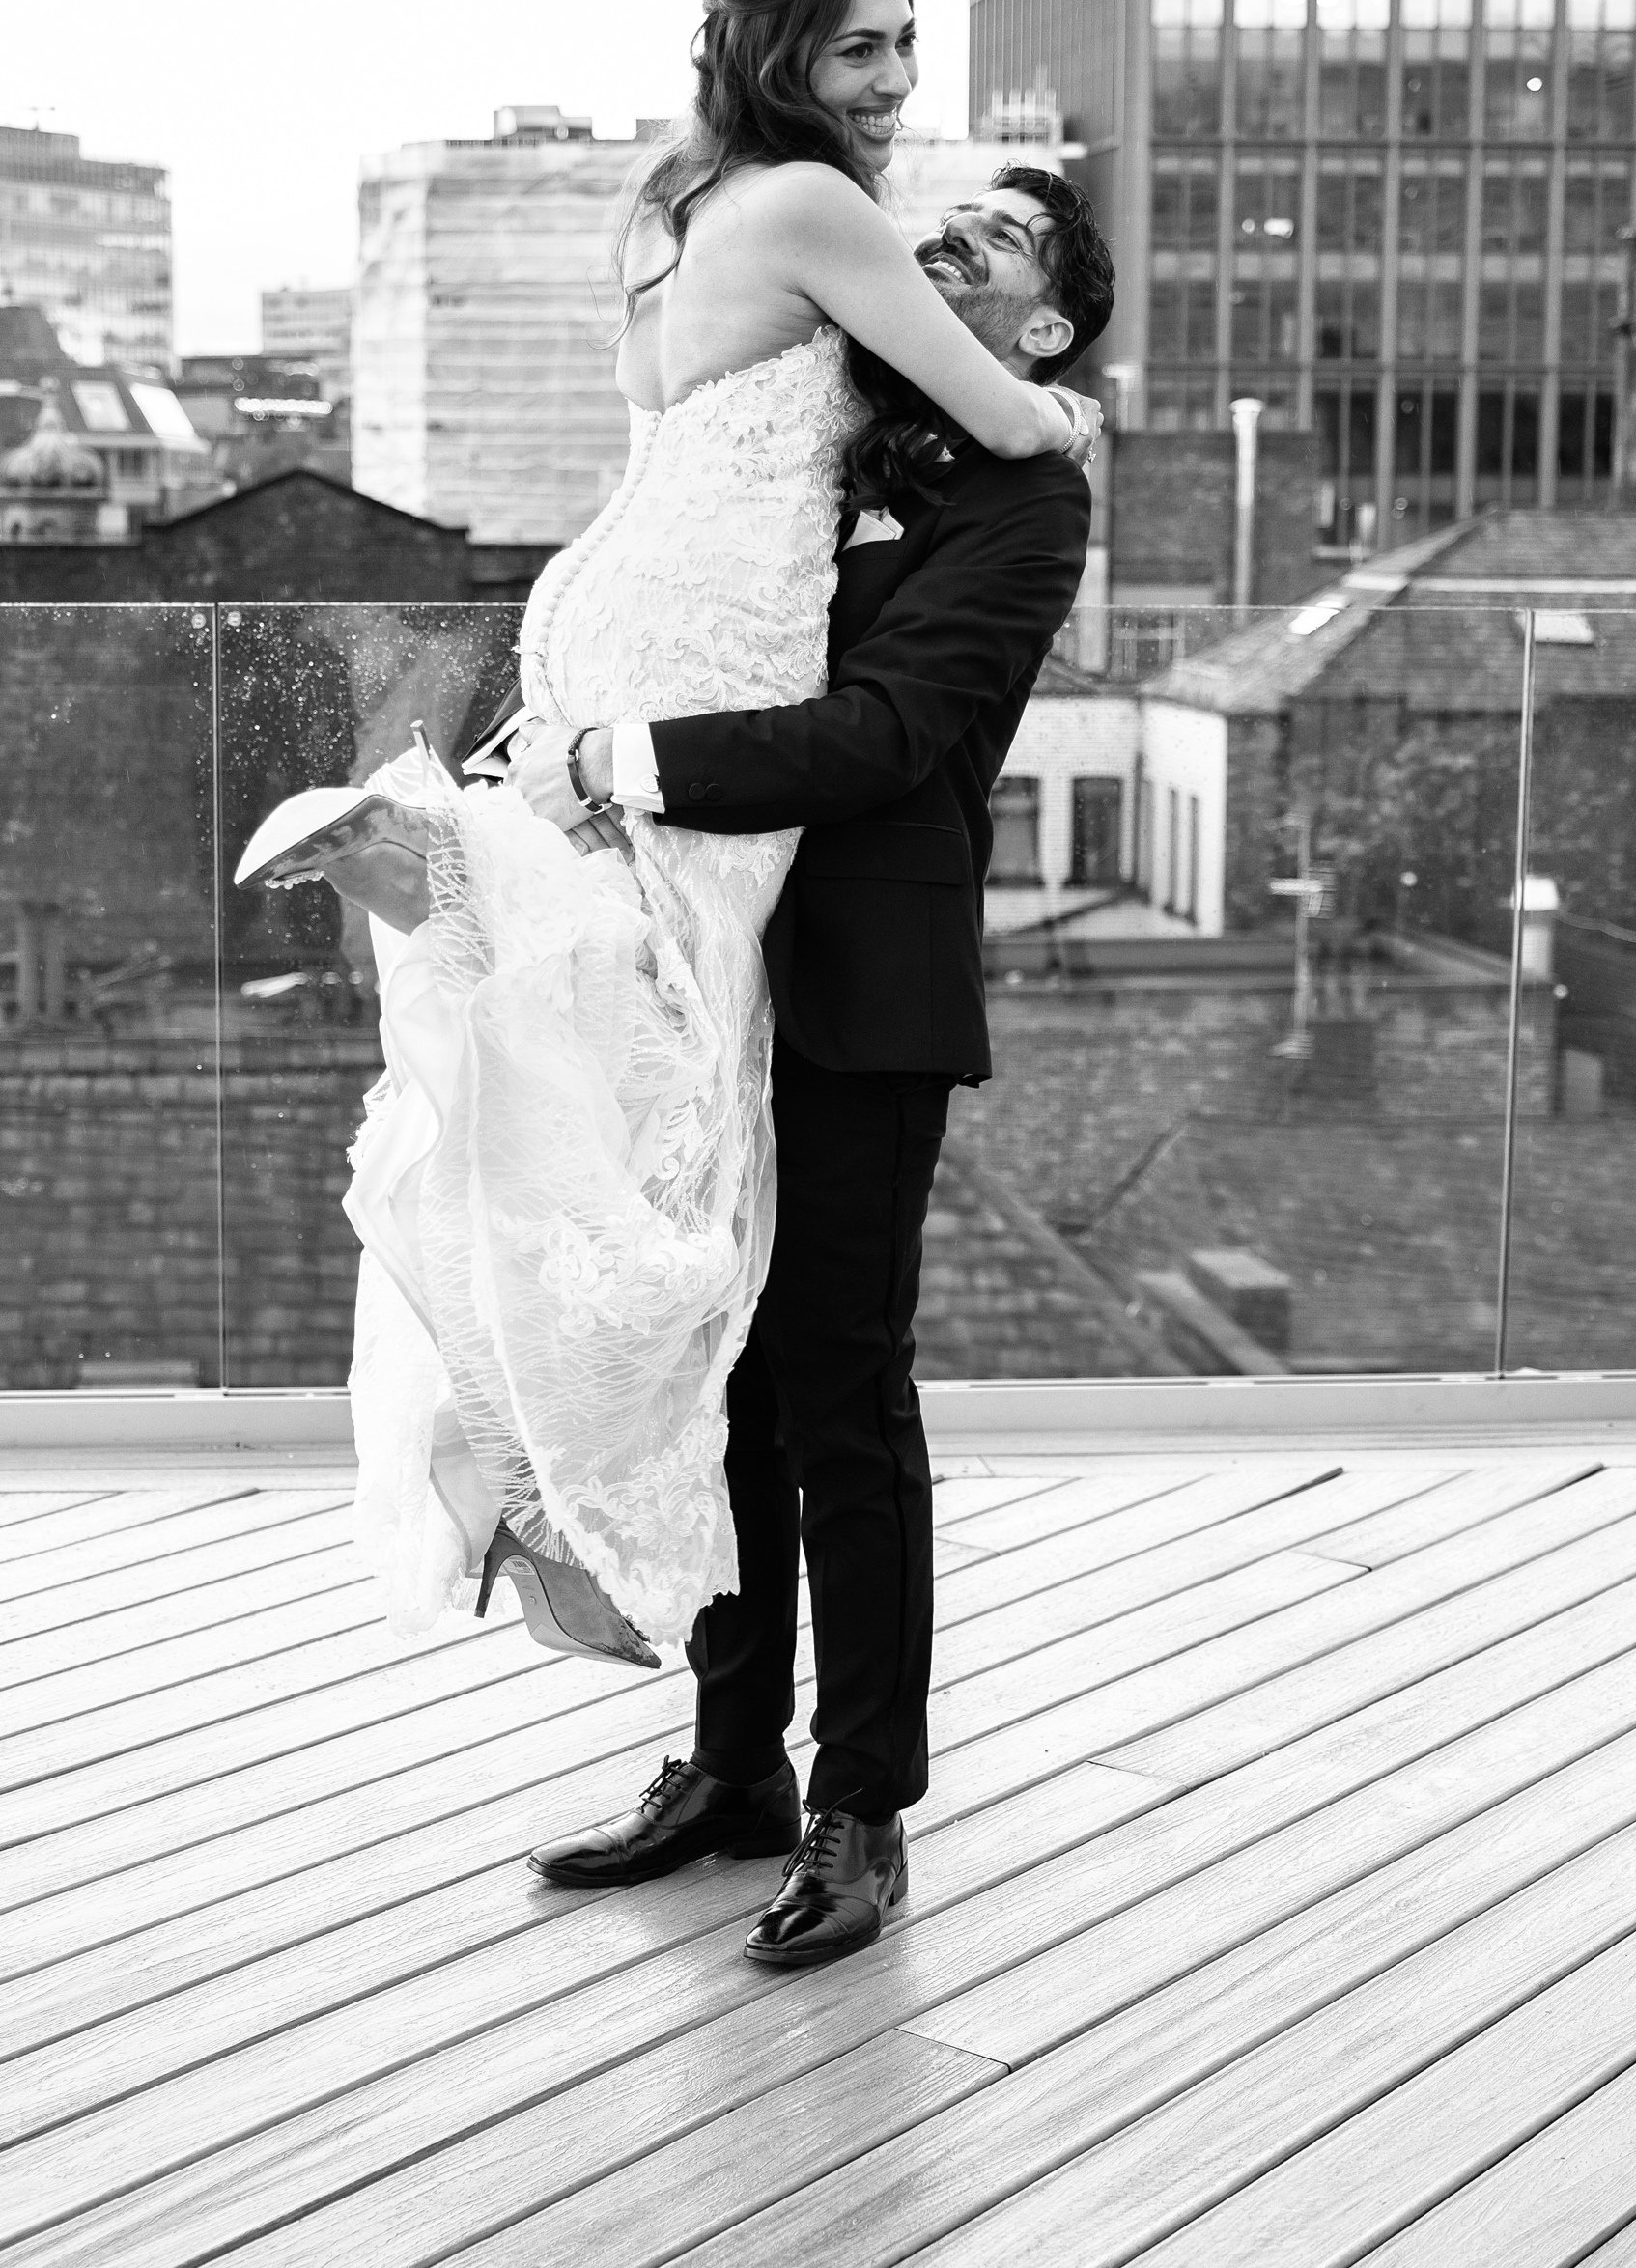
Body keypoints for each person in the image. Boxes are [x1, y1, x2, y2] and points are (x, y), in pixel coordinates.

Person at [236, 0, 1100, 1677]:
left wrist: (1046, 426)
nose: (898, 93)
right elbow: (977, 429)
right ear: (777, 49)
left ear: (1055, 318)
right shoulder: (822, 242)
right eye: (864, 47)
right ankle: (686, 1696)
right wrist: (1069, 411)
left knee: (719, 1252)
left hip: (723, 779)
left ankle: (831, 1777)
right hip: (674, 670)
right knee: (658, 1174)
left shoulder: (699, 220)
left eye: (902, 50)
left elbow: (888, 719)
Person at [516, 157, 1111, 1967]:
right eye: (943, 224)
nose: (947, 244)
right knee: (724, 1384)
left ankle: (860, 1813)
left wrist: (624, 758)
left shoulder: (1027, 495)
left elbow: (889, 735)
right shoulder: (828, 422)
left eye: (994, 241)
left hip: (860, 985)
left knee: (839, 1397)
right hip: (697, 971)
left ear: (1047, 326)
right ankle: (728, 1767)